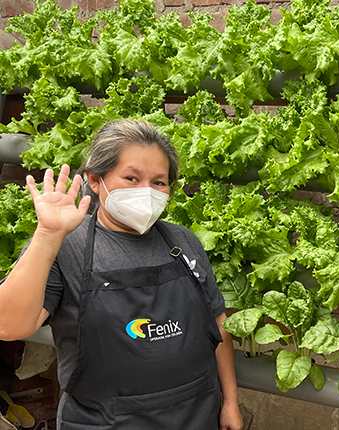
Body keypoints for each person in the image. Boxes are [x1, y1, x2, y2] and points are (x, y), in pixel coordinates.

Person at [0, 119, 243, 430]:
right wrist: (48, 234)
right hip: (106, 423)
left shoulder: (183, 242)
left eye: (159, 182)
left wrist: (231, 402)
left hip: (196, 415)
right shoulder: (66, 248)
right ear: (96, 180)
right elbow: (9, 326)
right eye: (131, 178)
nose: (147, 192)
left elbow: (219, 326)